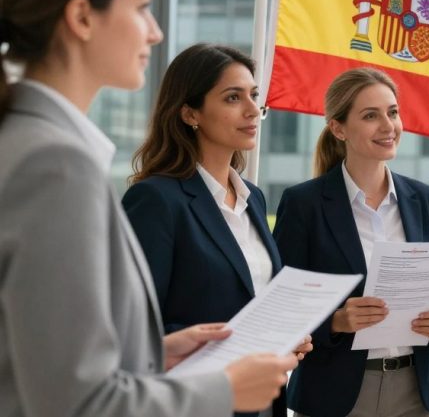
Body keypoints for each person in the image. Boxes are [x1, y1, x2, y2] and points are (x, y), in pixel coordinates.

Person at [0, 0, 296, 417]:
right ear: (82, 17)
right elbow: (77, 403)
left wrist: (152, 354)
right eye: (141, 8)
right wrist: (224, 389)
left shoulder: (31, 145)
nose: (155, 32)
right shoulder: (55, 164)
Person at [122, 43, 312, 417]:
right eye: (232, 97)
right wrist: (235, 344)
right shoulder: (156, 200)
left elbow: (253, 297)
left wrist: (284, 337)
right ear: (190, 113)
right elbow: (136, 328)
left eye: (254, 96)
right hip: (194, 403)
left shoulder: (252, 198)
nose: (252, 109)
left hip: (261, 402)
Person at [273, 67, 429, 417]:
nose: (388, 126)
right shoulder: (304, 204)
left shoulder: (423, 198)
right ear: (338, 128)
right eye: (371, 116)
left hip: (414, 392)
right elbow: (282, 305)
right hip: (333, 394)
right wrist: (336, 322)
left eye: (392, 112)